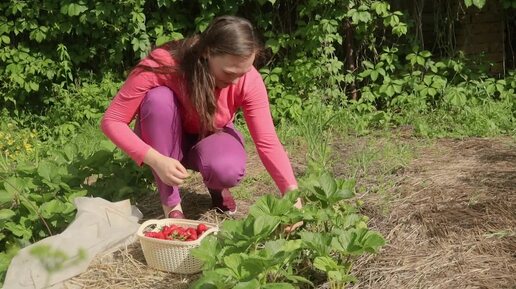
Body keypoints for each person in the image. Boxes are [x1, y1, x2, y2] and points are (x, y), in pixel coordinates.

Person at [101, 15, 300, 219]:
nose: (235, 81)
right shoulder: (166, 63)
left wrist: (293, 197)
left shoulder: (247, 80)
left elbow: (267, 142)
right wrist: (156, 160)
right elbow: (112, 121)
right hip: (165, 140)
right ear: (207, 53)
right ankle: (172, 208)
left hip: (209, 137)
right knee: (158, 100)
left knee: (227, 167)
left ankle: (217, 187)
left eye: (243, 72)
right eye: (229, 72)